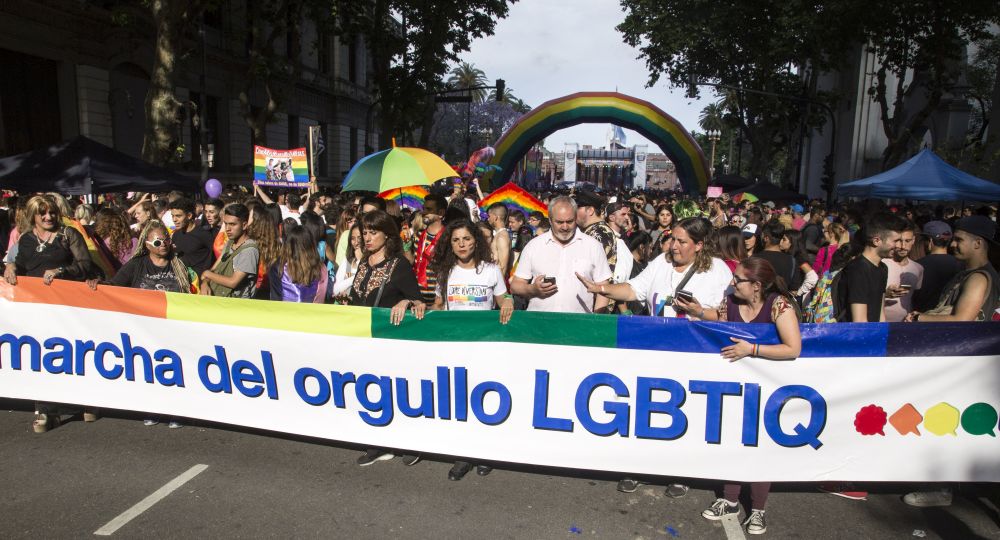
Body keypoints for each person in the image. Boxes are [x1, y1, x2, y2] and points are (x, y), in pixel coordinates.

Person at [577, 216, 732, 498]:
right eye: (672, 239)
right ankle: (640, 468)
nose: (673, 245)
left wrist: (699, 312)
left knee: (685, 414)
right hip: (655, 352)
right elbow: (635, 289)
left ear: (699, 245)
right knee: (648, 410)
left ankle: (680, 473)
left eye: (681, 241)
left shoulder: (718, 272)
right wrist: (600, 288)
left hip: (694, 356)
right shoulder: (661, 262)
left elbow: (725, 316)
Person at [677, 257, 802, 535]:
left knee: (760, 446)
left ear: (756, 286)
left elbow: (792, 348)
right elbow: (718, 320)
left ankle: (758, 509)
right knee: (732, 439)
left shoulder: (779, 305)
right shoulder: (730, 302)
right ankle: (729, 500)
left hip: (767, 388)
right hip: (734, 385)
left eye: (738, 280)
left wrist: (752, 350)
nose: (732, 283)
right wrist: (699, 311)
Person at [901, 216, 1000, 507]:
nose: (952, 243)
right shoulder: (968, 273)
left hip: (961, 363)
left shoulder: (979, 277)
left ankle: (941, 488)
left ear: (978, 243)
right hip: (960, 362)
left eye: (958, 239)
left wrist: (920, 318)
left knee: (945, 419)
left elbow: (963, 319)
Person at [3, 194, 99, 433]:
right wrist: (10, 267)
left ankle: (86, 400)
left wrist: (61, 270)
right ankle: (46, 408)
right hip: (35, 308)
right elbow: (11, 262)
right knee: (42, 357)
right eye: (42, 213)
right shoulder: (24, 239)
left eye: (52, 213)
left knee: (73, 353)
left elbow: (86, 265)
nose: (48, 217)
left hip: (67, 306)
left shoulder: (69, 235)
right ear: (33, 215)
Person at [430, 219, 513, 480]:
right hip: (454, 347)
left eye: (466, 238)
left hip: (484, 346)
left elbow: (503, 300)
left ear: (475, 240)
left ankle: (485, 453)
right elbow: (438, 305)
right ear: (450, 244)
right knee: (460, 402)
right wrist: (419, 308)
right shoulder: (445, 272)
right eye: (456, 240)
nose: (462, 244)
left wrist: (509, 301)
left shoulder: (490, 270)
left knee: (484, 400)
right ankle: (463, 455)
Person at [349, 210, 425, 467]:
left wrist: (405, 300)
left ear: (387, 235)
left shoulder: (399, 264)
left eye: (373, 232)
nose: (367, 238)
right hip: (363, 338)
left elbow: (418, 301)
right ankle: (378, 444)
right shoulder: (363, 263)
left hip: (391, 341)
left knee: (396, 391)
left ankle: (408, 443)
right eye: (365, 232)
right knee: (370, 389)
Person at [510, 196, 612, 314]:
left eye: (569, 221)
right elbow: (515, 285)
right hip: (540, 325)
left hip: (579, 326)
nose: (565, 227)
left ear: (576, 218)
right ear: (550, 220)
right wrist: (532, 289)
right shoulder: (534, 245)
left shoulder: (593, 246)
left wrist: (595, 321)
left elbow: (603, 287)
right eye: (559, 222)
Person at [836, 213, 906, 323]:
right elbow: (859, 321)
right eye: (895, 241)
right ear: (876, 241)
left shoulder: (882, 268)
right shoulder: (858, 269)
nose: (900, 246)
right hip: (857, 337)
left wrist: (882, 335)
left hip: (873, 336)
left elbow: (880, 312)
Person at [200, 204, 260, 298]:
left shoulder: (249, 250)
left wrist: (207, 274)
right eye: (226, 223)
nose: (227, 229)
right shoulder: (229, 243)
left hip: (236, 307)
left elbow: (233, 282)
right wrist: (205, 283)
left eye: (232, 224)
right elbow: (214, 269)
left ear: (244, 225)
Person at [268, 225, 330, 302]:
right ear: (311, 245)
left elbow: (275, 298)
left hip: (284, 312)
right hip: (311, 312)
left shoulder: (278, 266)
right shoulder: (321, 268)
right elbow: (321, 297)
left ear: (288, 245)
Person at [913, 221, 962, 312]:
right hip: (948, 317)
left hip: (921, 317)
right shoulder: (962, 265)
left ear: (930, 241)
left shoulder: (917, 266)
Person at [882, 221, 924, 322]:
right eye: (899, 241)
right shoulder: (882, 264)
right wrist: (885, 294)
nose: (903, 246)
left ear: (913, 240)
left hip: (905, 325)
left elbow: (914, 299)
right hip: (882, 325)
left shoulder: (918, 268)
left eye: (907, 241)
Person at [412, 194, 447, 304]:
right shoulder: (418, 235)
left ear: (441, 213)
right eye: (424, 209)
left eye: (429, 209)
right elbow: (411, 261)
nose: (424, 212)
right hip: (418, 297)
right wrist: (406, 246)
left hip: (438, 298)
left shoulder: (448, 237)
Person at [169, 198, 215, 276]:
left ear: (189, 216)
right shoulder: (176, 235)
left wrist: (206, 277)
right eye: (172, 216)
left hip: (200, 281)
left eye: (178, 216)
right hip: (182, 279)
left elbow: (214, 257)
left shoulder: (204, 234)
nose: (174, 219)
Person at [755, 220, 797, 290]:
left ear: (766, 238)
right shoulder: (791, 260)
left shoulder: (755, 258)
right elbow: (794, 287)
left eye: (762, 235)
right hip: (779, 299)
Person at [332, 223, 362, 303]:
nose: (356, 242)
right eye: (353, 238)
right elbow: (336, 289)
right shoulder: (349, 259)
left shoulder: (370, 260)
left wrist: (360, 261)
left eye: (359, 238)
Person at [485, 203, 512, 276]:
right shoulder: (499, 234)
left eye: (489, 216)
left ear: (495, 217)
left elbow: (503, 267)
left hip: (498, 281)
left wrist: (498, 286)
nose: (488, 219)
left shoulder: (502, 237)